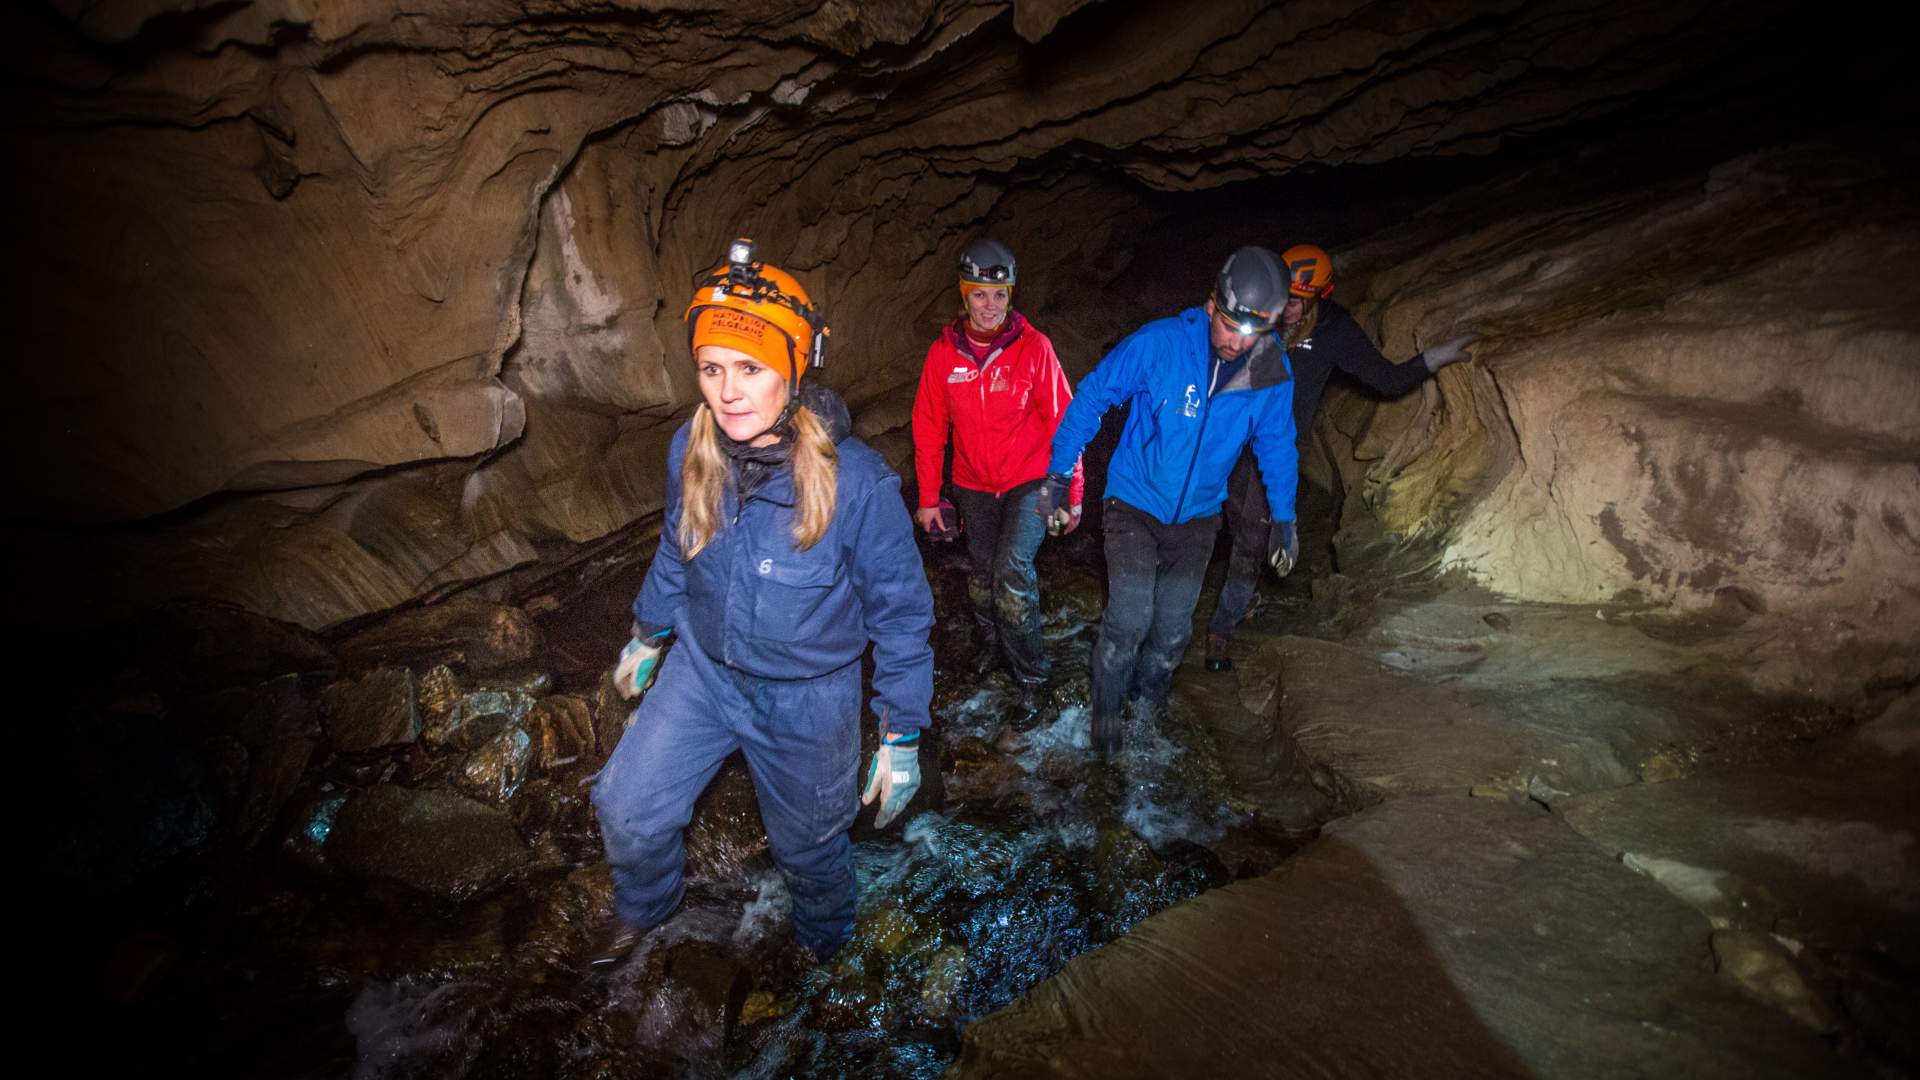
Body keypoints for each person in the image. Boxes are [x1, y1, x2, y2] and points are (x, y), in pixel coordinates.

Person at [588, 239, 934, 969]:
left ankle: (825, 949)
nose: (728, 392)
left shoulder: (859, 486)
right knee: (625, 810)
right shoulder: (691, 447)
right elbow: (675, 548)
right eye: (712, 370)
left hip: (809, 699)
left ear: (795, 371)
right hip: (705, 673)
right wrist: (649, 636)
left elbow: (901, 616)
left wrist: (902, 734)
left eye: (751, 369)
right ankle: (647, 906)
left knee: (808, 849)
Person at [1038, 246, 1301, 758]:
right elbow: (1093, 397)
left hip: (1200, 518)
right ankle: (1107, 724)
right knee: (1130, 619)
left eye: (1252, 333)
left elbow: (1277, 444)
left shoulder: (1271, 369)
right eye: (1229, 325)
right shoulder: (1160, 344)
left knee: (1173, 633)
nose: (1236, 342)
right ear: (1211, 306)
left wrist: (1285, 518)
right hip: (1133, 502)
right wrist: (1057, 475)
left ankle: (1148, 720)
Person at [1201, 243, 1477, 671]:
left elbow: (1385, 379)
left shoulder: (1334, 331)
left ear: (1319, 298)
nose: (1288, 308)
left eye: (1299, 301)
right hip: (1224, 441)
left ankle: (1221, 631)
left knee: (1251, 540)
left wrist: (1434, 358)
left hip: (1275, 453)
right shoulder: (1256, 316)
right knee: (1206, 521)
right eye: (1283, 297)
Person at [910, 238, 1082, 714]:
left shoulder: (1035, 348)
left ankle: (1032, 678)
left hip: (1034, 481)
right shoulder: (943, 355)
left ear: (1011, 295)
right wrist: (929, 499)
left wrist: (1069, 493)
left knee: (1011, 572)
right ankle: (995, 647)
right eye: (980, 294)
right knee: (982, 575)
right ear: (964, 295)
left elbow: (1065, 424)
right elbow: (928, 430)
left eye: (1000, 294)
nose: (990, 306)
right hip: (973, 485)